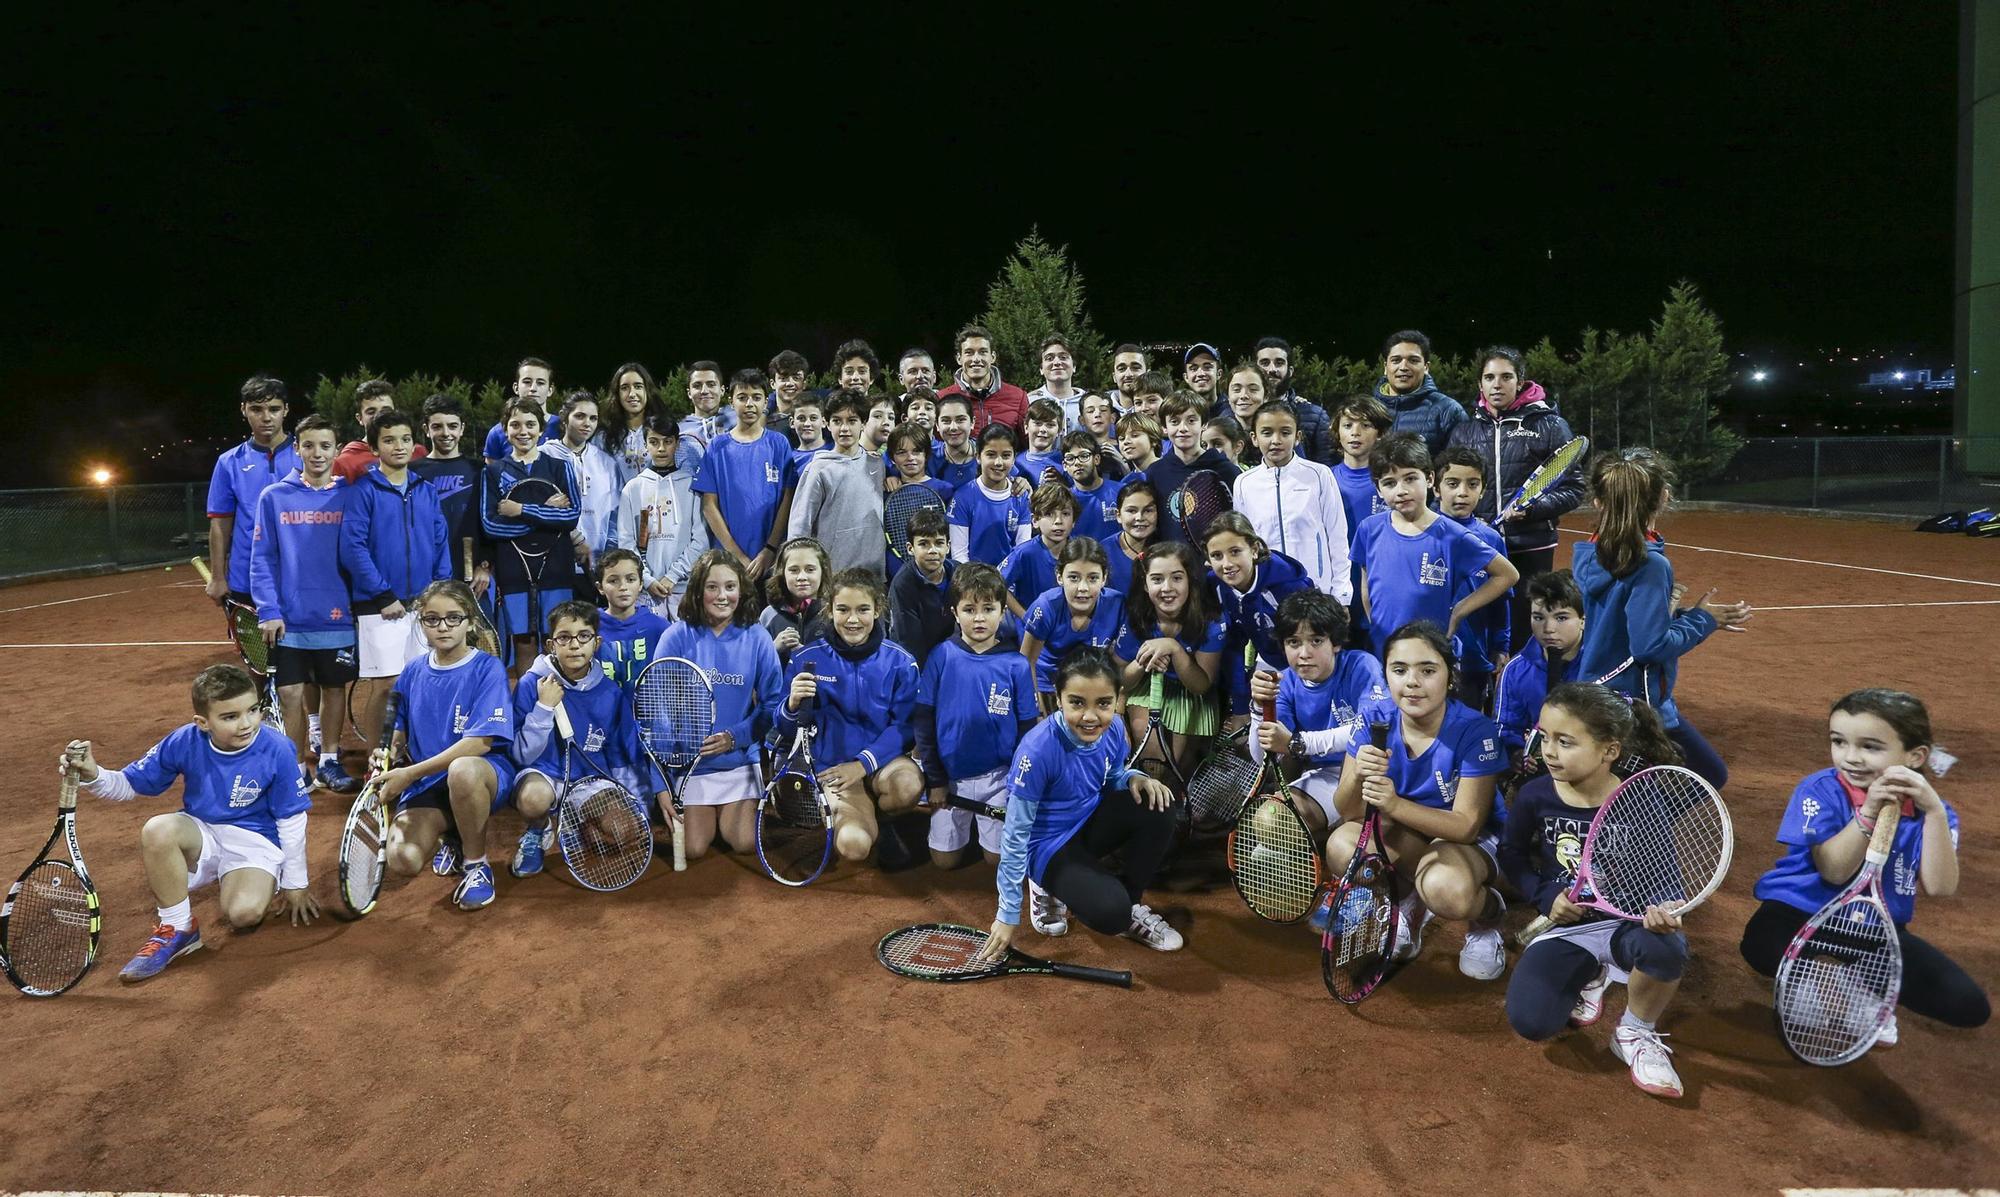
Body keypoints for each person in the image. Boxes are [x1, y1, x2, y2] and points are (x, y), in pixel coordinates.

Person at [1739, 687, 1988, 1043]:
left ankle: (1845, 978)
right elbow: (1834, 870)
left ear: (1916, 756)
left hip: (1875, 927)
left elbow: (1940, 886)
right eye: (1839, 742)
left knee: (1968, 1006)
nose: (1850, 757)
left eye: (1870, 747)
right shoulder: (1819, 789)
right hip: (1800, 915)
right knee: (1760, 946)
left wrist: (1933, 811)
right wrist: (1868, 812)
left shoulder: (1934, 812)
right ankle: (1818, 975)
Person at [1500, 682, 1695, 1098]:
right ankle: (1593, 971)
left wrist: (1664, 908)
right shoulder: (1536, 795)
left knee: (1667, 947)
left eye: (1565, 742)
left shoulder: (1642, 799)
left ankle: (1635, 1031)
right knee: (1532, 1022)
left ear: (1609, 750)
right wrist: (1543, 894)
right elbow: (1512, 854)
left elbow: (1666, 876)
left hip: (1627, 923)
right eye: (1545, 737)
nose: (1549, 751)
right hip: (1568, 926)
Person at [71, 664, 317, 983]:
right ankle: (178, 928)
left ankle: (255, 876)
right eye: (230, 717)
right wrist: (94, 775)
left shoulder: (277, 748)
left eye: (253, 710)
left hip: (255, 841)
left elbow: (291, 819)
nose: (246, 724)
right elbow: (130, 784)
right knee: (158, 829)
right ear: (202, 722)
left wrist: (296, 883)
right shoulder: (184, 741)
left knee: (244, 915)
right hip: (202, 832)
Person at [1327, 621, 1510, 980]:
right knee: (1341, 846)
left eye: (1427, 670)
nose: (1412, 682)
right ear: (1386, 676)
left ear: (1449, 676)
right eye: (1399, 670)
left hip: (1467, 843)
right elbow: (1348, 811)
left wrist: (1393, 805)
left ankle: (1487, 918)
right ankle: (1408, 903)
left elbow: (1466, 825)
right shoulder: (1374, 720)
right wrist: (1358, 774)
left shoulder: (1475, 730)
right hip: (1410, 836)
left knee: (1445, 889)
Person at [976, 649, 1183, 958]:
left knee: (1159, 803)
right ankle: (1046, 884)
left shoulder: (1112, 728)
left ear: (1116, 700)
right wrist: (1007, 914)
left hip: (1087, 823)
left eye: (1103, 703)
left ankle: (1131, 902)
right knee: (1110, 914)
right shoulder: (1037, 750)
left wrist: (1133, 778)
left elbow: (1110, 775)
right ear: (1058, 699)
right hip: (1047, 846)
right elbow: (1016, 836)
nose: (1090, 716)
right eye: (1077, 702)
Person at [1572, 450, 1750, 788]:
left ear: (1597, 501)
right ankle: (1642, 835)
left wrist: (1687, 616)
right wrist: (1702, 621)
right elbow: (1649, 646)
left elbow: (1618, 625)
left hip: (1596, 697)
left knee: (1615, 790)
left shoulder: (1589, 556)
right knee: (1707, 775)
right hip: (1640, 706)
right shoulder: (1650, 565)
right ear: (1663, 498)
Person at [376, 581, 517, 911]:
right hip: (428, 781)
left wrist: (410, 773)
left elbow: (480, 744)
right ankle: (452, 832)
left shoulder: (488, 668)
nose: (443, 626)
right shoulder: (412, 671)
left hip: (483, 775)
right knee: (403, 860)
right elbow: (398, 725)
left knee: (462, 770)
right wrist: (390, 751)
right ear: (421, 622)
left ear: (470, 622)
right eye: (432, 619)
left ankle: (476, 865)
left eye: (454, 618)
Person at [776, 568, 924, 863]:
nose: (853, 619)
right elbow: (786, 728)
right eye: (843, 609)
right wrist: (791, 705)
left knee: (908, 787)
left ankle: (878, 813)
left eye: (863, 610)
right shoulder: (806, 658)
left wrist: (862, 764)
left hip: (883, 764)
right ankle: (865, 815)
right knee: (853, 846)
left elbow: (905, 728)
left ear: (878, 610)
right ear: (829, 611)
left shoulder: (901, 661)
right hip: (834, 768)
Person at [505, 600, 658, 880]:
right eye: (564, 637)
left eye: (583, 636)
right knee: (532, 799)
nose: (574, 645)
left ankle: (574, 822)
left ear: (596, 642)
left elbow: (622, 753)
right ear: (552, 645)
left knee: (624, 832)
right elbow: (520, 755)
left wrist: (639, 807)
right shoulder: (531, 684)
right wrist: (543, 708)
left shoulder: (611, 692)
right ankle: (538, 830)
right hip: (544, 775)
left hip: (589, 780)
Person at [1446, 346, 1586, 650]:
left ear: (1520, 382)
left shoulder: (1548, 425)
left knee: (1528, 628)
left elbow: (1574, 488)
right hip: (1480, 545)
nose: (1497, 384)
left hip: (1531, 546)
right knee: (1480, 625)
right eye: (1489, 377)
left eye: (1506, 377)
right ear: (1480, 384)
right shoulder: (1464, 431)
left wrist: (1533, 509)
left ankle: (1525, 690)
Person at [248, 414, 358, 791]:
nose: (317, 453)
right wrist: (268, 610)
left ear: (337, 449)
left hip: (338, 616)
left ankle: (328, 760)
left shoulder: (350, 495)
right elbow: (262, 558)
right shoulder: (274, 496)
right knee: (290, 693)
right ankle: (296, 768)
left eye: (325, 445)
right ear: (296, 448)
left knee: (333, 689)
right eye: (308, 445)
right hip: (289, 620)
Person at [653, 551, 784, 859]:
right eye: (712, 587)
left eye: (730, 586)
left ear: (742, 590)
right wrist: (661, 785)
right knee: (694, 848)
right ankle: (698, 811)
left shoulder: (757, 637)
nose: (722, 596)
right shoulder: (676, 637)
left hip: (738, 759)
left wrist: (734, 737)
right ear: (698, 591)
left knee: (744, 842)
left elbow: (772, 704)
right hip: (691, 765)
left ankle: (730, 812)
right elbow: (655, 715)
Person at [1248, 593, 1388, 879]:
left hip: (1373, 775)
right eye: (1293, 642)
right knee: (1268, 821)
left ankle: (1344, 848)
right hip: (1327, 776)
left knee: (1363, 855)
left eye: (1316, 641)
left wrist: (1300, 742)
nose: (1304, 653)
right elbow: (1265, 755)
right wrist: (1258, 709)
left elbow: (1371, 732)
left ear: (1335, 643)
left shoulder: (1363, 666)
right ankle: (1316, 852)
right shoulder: (1284, 682)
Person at [341, 408, 454, 744]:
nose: (399, 446)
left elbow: (439, 541)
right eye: (389, 440)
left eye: (405, 439)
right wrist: (383, 595)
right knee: (385, 685)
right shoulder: (363, 491)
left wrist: (439, 594)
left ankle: (417, 752)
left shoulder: (425, 489)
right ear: (375, 448)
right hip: (380, 607)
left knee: (423, 681)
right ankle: (377, 760)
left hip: (423, 605)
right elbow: (353, 549)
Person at [916, 564, 1039, 870]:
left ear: (1002, 611)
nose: (980, 617)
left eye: (989, 608)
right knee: (944, 862)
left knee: (996, 860)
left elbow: (1027, 730)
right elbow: (924, 722)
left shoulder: (1016, 665)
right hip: (950, 779)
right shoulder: (941, 656)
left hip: (998, 779)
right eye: (969, 609)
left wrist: (1015, 783)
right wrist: (936, 780)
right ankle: (962, 831)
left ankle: (987, 835)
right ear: (955, 613)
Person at [1351, 435, 1518, 655]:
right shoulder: (1369, 529)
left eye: (1410, 479)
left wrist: (1459, 611)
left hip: (1432, 654)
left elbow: (1508, 575)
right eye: (1390, 483)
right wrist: (1376, 623)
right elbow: (1367, 584)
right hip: (1383, 649)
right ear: (1379, 489)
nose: (1401, 490)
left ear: (1429, 479)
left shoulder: (1453, 535)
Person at [481, 398, 581, 678]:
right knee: (523, 641)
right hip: (514, 568)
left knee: (557, 639)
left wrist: (521, 510)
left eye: (530, 424)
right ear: (505, 429)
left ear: (541, 431)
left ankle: (557, 711)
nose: (522, 431)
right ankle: (527, 707)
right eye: (515, 424)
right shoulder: (493, 471)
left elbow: (571, 516)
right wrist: (545, 516)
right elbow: (490, 524)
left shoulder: (560, 467)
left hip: (556, 566)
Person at [1115, 541, 1225, 780]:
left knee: (1177, 773)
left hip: (1192, 693)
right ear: (1145, 585)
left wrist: (1174, 649)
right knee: (1155, 768)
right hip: (1147, 685)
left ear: (1189, 581)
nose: (1167, 588)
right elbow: (1121, 679)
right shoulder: (1137, 617)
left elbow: (1201, 684)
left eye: (1176, 578)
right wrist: (1143, 661)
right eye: (1156, 579)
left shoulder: (1211, 621)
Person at [1231, 400, 1351, 601]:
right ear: (1254, 437)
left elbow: (1337, 537)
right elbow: (1244, 542)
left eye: (1285, 433)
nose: (1276, 440)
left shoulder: (1320, 475)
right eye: (1267, 433)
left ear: (1298, 437)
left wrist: (1342, 594)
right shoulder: (1243, 483)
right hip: (1267, 595)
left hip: (1317, 592)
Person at [694, 367, 797, 586]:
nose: (749, 404)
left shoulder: (779, 444)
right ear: (732, 402)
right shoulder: (716, 447)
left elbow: (788, 500)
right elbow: (709, 506)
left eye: (756, 397)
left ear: (765, 402)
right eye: (742, 397)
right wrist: (737, 556)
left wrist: (769, 549)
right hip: (728, 562)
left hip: (771, 561)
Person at [204, 374, 301, 608]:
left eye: (274, 409)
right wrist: (218, 577)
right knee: (255, 646)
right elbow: (220, 524)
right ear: (243, 410)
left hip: (302, 576)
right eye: (256, 409)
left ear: (286, 410)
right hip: (246, 579)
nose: (266, 417)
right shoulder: (228, 462)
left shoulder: (308, 455)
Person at [1202, 512, 1317, 707]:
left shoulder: (1289, 587)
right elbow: (1233, 646)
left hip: (1311, 670)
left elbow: (1314, 644)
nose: (1227, 564)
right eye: (1216, 556)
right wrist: (1240, 707)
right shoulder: (1216, 587)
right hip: (1272, 668)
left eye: (1235, 551)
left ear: (1254, 550)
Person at [1435, 446, 1512, 711]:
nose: (1462, 493)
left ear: (1482, 489)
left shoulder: (1491, 539)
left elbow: (1501, 602)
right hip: (1430, 657)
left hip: (1473, 658)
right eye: (1452, 484)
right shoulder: (1423, 531)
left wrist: (1501, 646)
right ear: (1436, 488)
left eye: (1472, 484)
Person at [613, 413, 706, 615]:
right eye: (654, 442)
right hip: (646, 591)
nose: (661, 449)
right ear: (646, 444)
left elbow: (700, 540)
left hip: (684, 589)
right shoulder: (633, 489)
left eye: (668, 442)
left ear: (677, 444)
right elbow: (627, 542)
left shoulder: (692, 486)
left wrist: (673, 575)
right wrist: (647, 579)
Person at [1494, 570, 1587, 773]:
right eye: (1538, 617)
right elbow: (1506, 728)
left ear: (1583, 619)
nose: (1548, 628)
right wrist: (1516, 753)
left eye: (1561, 618)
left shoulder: (1603, 665)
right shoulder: (1516, 670)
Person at [1020, 538, 1126, 710]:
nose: (1083, 587)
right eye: (1074, 578)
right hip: (1046, 684)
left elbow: (1121, 661)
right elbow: (1026, 662)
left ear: (1104, 578)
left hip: (1094, 684)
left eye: (1092, 578)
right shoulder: (1046, 606)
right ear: (1059, 577)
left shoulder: (1117, 604)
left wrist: (1117, 707)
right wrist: (1035, 708)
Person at [787, 389, 884, 574]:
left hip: (874, 574)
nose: (844, 428)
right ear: (828, 424)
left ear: (863, 424)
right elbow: (799, 528)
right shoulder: (818, 469)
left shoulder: (877, 464)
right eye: (837, 421)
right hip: (832, 576)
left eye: (852, 421)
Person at [540, 390, 619, 582]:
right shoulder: (543, 456)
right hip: (552, 561)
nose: (587, 423)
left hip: (596, 565)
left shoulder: (607, 462)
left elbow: (616, 516)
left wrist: (609, 557)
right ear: (564, 418)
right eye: (580, 416)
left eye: (593, 418)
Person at [1332, 393, 1393, 631]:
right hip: (1341, 587)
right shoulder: (1326, 479)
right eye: (1348, 425)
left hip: (1380, 585)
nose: (1355, 432)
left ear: (1380, 434)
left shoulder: (1391, 482)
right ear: (1338, 432)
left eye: (1365, 425)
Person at [1146, 393, 1241, 541]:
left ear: (1204, 425)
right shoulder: (1155, 472)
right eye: (1174, 421)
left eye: (1191, 421)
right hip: (1171, 560)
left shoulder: (1226, 470)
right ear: (1164, 427)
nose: (1183, 428)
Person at [414, 394, 485, 587]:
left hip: (471, 574)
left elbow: (490, 521)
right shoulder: (412, 472)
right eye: (437, 426)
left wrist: (486, 565)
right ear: (426, 430)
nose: (446, 433)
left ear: (462, 429)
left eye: (452, 426)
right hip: (425, 574)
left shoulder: (480, 470)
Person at [948, 425, 1032, 566]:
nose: (998, 462)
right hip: (972, 581)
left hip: (1009, 582)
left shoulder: (1021, 497)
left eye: (1006, 455)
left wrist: (1007, 583)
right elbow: (959, 555)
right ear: (978, 457)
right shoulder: (962, 497)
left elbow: (1022, 551)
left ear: (1014, 458)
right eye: (991, 455)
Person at [1373, 330, 1465, 457]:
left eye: (1413, 360)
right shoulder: (1367, 409)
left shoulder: (1449, 411)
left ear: (1426, 367)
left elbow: (1462, 466)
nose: (1403, 367)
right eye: (1396, 360)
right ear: (1385, 367)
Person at [887, 507, 958, 666]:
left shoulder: (959, 574)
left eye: (939, 543)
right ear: (910, 548)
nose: (932, 550)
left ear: (948, 546)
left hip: (952, 655)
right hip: (917, 660)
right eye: (924, 544)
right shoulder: (902, 585)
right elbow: (908, 642)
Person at [592, 548, 668, 690]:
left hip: (647, 711)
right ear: (600, 587)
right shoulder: (589, 627)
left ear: (640, 584)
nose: (623, 587)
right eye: (613, 581)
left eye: (631, 579)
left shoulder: (659, 627)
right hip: (605, 711)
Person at [999, 481, 1077, 618]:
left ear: (1074, 521)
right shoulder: (1024, 553)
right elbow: (997, 583)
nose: (1058, 521)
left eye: (1065, 514)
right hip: (1033, 632)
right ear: (1035, 520)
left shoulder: (1081, 552)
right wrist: (1025, 616)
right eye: (1049, 514)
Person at [1252, 335, 1334, 464]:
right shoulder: (1244, 412)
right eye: (1265, 363)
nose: (1271, 369)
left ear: (1290, 371)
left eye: (1279, 363)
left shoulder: (1315, 416)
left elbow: (1326, 465)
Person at [937, 323, 1027, 432]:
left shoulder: (1018, 397)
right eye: (969, 352)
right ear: (959, 358)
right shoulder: (941, 398)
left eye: (983, 352)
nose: (976, 359)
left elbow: (1028, 444)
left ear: (992, 357)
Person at [334, 380, 428, 482]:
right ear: (359, 418)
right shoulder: (346, 462)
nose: (379, 416)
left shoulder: (418, 452)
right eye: (371, 412)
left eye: (385, 410)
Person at [759, 537, 831, 667]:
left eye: (810, 569)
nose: (802, 577)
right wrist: (773, 648)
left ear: (822, 571)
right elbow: (753, 668)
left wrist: (806, 654)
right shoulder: (768, 616)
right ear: (782, 573)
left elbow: (844, 665)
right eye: (794, 570)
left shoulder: (832, 614)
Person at [479, 358, 557, 464]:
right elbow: (493, 475)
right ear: (516, 387)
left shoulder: (563, 427)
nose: (533, 388)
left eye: (540, 383)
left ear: (550, 390)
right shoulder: (497, 433)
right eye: (527, 382)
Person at [599, 361, 662, 491]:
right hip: (617, 509)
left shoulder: (662, 431)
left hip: (656, 505)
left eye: (638, 386)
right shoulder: (603, 436)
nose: (632, 394)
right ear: (617, 394)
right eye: (625, 388)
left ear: (647, 390)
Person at [1064, 430, 1122, 545]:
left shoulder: (1121, 492)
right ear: (1064, 466)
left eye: (1084, 456)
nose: (1077, 463)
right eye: (1070, 458)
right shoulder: (1064, 500)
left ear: (1096, 459)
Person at [1103, 478, 1159, 598]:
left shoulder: (1166, 549)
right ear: (1118, 516)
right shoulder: (1102, 553)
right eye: (1131, 511)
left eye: (1148, 510)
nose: (1139, 517)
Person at [678, 360, 736, 469]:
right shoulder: (679, 429)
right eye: (697, 386)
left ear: (722, 390)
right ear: (689, 393)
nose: (704, 390)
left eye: (711, 384)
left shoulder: (738, 419)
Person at [1026, 334, 1086, 429]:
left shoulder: (1087, 403)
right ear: (1041, 369)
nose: (1057, 362)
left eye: (1063, 357)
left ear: (1074, 366)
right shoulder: (1029, 402)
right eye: (1049, 358)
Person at [1018, 398, 1066, 485]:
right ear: (1026, 427)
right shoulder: (1015, 463)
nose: (1043, 429)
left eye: (1050, 425)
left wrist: (1064, 486)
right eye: (1037, 423)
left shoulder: (1065, 462)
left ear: (1059, 431)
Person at [767, 349, 812, 439]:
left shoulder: (812, 420)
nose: (790, 383)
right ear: (773, 384)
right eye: (783, 378)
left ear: (804, 384)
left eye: (796, 378)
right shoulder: (760, 419)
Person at [787, 392, 828, 472]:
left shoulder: (836, 451)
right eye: (801, 418)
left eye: (813, 418)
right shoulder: (789, 461)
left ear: (824, 422)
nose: (807, 424)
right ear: (792, 423)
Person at [1115, 411, 1163, 478]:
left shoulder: (1171, 469)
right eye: (1122, 438)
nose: (1126, 441)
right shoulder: (1126, 482)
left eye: (1134, 435)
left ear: (1153, 440)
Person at [1108, 344, 1150, 411]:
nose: (1128, 374)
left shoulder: (1161, 412)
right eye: (1121, 369)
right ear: (1114, 377)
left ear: (1147, 374)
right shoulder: (1101, 412)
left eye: (1135, 368)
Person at [1182, 342, 1222, 411]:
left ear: (1219, 374)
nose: (1200, 374)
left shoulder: (1234, 412)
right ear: (1186, 377)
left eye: (1207, 367)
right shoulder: (1178, 413)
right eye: (1193, 369)